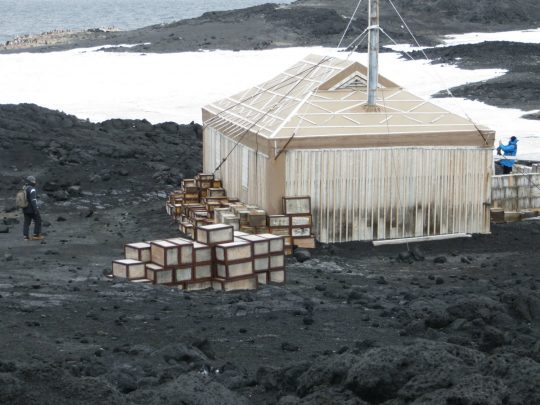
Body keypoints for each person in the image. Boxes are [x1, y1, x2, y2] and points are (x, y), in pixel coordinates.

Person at [22, 176, 44, 241]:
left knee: (26, 223)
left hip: (25, 208)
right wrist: (36, 209)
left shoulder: (24, 188)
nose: (35, 182)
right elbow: (33, 200)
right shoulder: (32, 189)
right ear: (30, 181)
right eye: (33, 181)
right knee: (38, 220)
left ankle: (25, 237)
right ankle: (36, 235)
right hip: (31, 209)